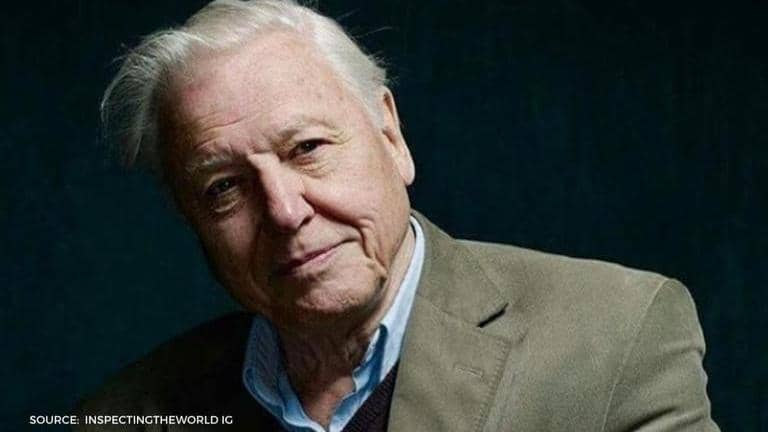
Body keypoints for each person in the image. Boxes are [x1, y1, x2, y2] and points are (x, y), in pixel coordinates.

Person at [75, 0, 719, 430]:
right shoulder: (126, 415)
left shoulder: (618, 336)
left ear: (391, 136)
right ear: (190, 217)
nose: (285, 212)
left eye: (307, 149)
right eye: (225, 188)